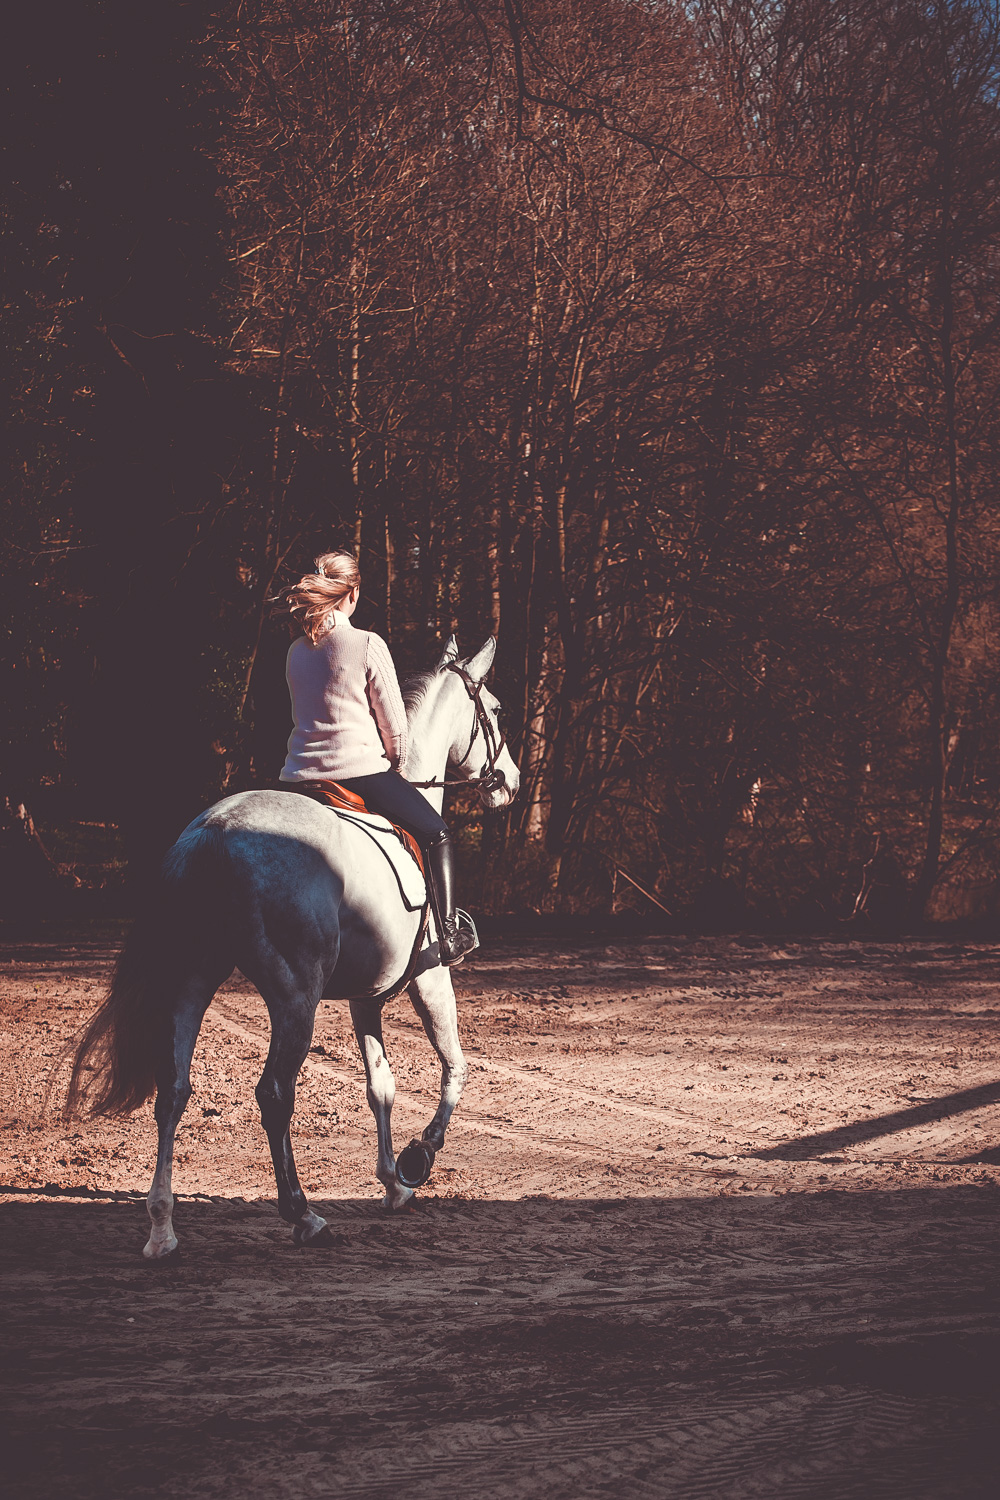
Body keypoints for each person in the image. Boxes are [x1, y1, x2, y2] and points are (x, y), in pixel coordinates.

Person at [277, 550, 478, 965]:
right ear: (351, 594)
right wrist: (396, 765)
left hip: (297, 777)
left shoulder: (296, 650)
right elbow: (396, 730)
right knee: (437, 832)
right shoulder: (366, 644)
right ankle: (451, 934)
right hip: (359, 772)